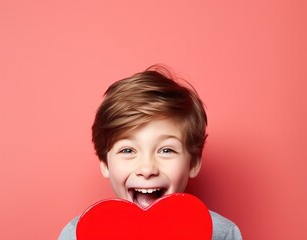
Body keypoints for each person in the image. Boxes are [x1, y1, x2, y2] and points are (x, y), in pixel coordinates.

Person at [58, 65, 242, 240]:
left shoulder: (221, 234)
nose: (147, 169)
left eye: (166, 150)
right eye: (128, 150)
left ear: (193, 163)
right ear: (105, 164)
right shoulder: (78, 234)